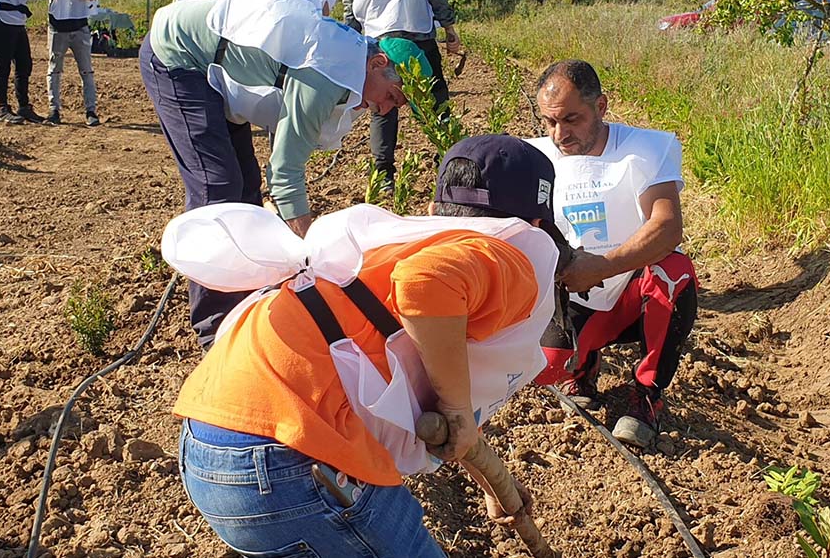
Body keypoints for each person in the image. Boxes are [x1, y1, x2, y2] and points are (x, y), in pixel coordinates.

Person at [165, 134, 570, 558]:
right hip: (291, 466)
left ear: (434, 210)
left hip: (211, 449)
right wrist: (455, 409)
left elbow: (423, 370)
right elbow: (425, 284)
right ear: (537, 226)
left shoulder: (397, 245)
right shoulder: (506, 256)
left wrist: (489, 479)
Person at [140, 0, 430, 349]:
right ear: (378, 64)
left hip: (217, 70)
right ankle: (214, 328)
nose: (382, 111)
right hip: (179, 56)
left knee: (244, 188)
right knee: (218, 186)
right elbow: (285, 170)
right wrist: (310, 255)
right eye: (392, 97)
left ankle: (243, 297)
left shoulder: (350, 63)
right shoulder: (327, 74)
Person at [528, 59, 698, 448]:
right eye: (549, 122)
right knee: (547, 370)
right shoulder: (534, 158)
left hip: (630, 294)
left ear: (601, 107)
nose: (559, 134)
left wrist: (602, 266)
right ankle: (582, 366)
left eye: (572, 119)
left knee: (673, 270)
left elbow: (667, 226)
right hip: (568, 294)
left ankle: (647, 394)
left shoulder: (643, 149)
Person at [343, 0, 461, 192]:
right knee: (434, 100)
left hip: (377, 42)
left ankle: (383, 175)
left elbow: (350, 10)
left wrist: (350, 51)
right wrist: (449, 28)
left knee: (382, 108)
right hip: (418, 36)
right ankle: (447, 162)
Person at [35, 0, 100, 126]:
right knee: (54, 69)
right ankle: (54, 110)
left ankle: (91, 110)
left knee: (86, 70)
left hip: (80, 24)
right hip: (57, 25)